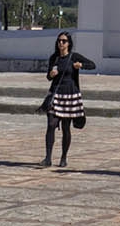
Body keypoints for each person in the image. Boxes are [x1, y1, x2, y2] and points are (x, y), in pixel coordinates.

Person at [41, 32, 95, 168]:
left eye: (64, 41)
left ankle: (64, 157)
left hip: (70, 95)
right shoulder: (54, 58)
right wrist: (50, 75)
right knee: (51, 125)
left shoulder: (74, 57)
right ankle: (47, 158)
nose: (61, 43)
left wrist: (80, 65)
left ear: (69, 43)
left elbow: (92, 64)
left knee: (66, 127)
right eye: (59, 41)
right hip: (56, 94)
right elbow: (48, 77)